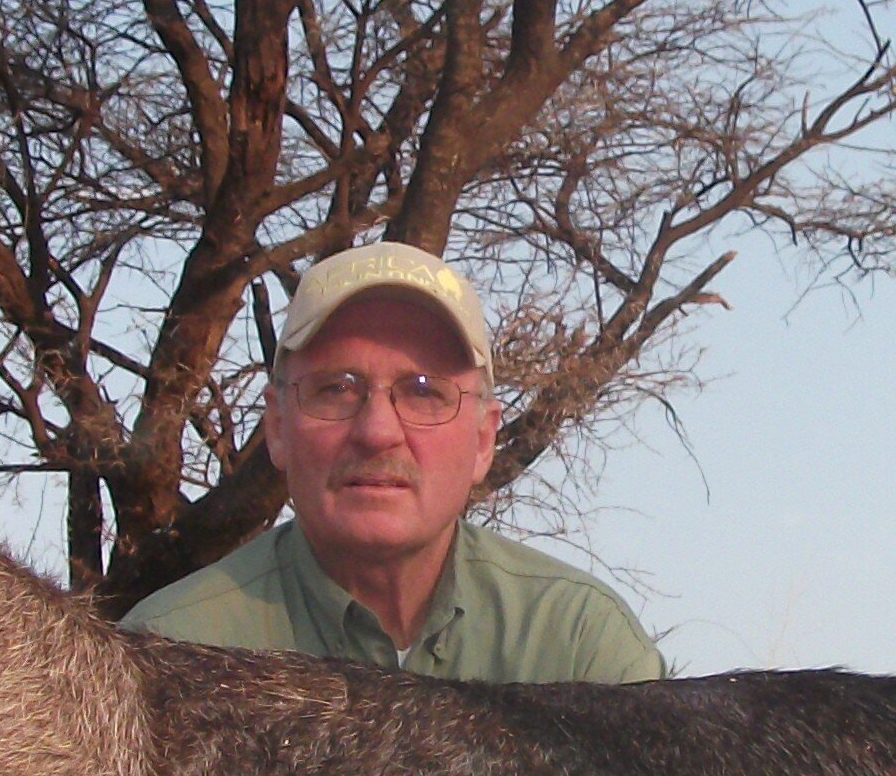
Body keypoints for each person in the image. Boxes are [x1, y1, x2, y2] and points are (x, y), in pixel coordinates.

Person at [124, 242, 664, 683]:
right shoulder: (164, 659)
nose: (378, 431)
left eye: (424, 392)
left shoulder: (581, 649)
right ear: (277, 428)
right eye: (335, 389)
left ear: (483, 440)